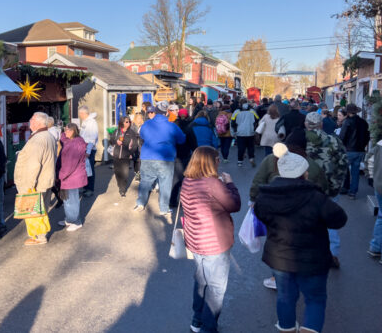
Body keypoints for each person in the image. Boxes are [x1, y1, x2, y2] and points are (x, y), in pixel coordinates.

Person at [254, 147, 347, 333]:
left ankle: (286, 329)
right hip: (313, 258)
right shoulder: (316, 197)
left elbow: (261, 215)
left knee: (285, 297)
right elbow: (339, 220)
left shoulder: (265, 196)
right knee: (315, 299)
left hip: (279, 258)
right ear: (303, 174)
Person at [180, 146, 241, 333]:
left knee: (201, 281)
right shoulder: (212, 184)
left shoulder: (188, 180)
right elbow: (234, 205)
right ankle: (208, 327)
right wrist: (229, 184)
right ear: (210, 162)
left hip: (196, 240)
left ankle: (197, 321)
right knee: (215, 288)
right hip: (215, 243)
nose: (219, 162)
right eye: (217, 159)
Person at [305, 112, 348, 268]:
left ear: (306, 124)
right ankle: (332, 254)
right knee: (330, 222)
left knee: (305, 221)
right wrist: (337, 184)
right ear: (321, 125)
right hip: (330, 187)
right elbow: (343, 164)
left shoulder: (300, 140)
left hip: (306, 189)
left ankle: (308, 254)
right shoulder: (334, 141)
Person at [134, 101, 186, 222]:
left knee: (145, 182)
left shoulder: (147, 124)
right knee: (165, 183)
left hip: (147, 157)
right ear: (166, 112)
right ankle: (164, 208)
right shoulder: (172, 125)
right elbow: (182, 139)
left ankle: (140, 203)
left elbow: (141, 135)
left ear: (156, 111)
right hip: (166, 157)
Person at [14, 112, 56, 246]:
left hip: (37, 182)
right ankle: (40, 235)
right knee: (41, 209)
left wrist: (29, 185)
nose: (29, 122)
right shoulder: (48, 135)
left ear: (38, 122)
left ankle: (39, 237)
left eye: (31, 119)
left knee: (35, 211)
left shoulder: (38, 139)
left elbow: (33, 164)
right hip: (46, 179)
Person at [57, 123, 87, 231]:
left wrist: (61, 175)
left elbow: (70, 164)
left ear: (73, 131)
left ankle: (76, 221)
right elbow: (63, 138)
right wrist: (62, 131)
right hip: (70, 177)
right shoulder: (71, 140)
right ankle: (70, 219)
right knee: (67, 199)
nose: (65, 132)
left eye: (67, 130)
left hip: (72, 177)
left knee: (72, 201)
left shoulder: (75, 144)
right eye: (65, 130)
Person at [339, 103, 370, 199]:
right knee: (355, 172)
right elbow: (367, 137)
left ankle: (345, 187)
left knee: (343, 169)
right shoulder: (363, 122)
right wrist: (363, 146)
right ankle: (353, 192)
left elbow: (342, 137)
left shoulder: (347, 122)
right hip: (360, 150)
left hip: (348, 150)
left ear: (348, 112)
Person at [109, 116, 138, 197]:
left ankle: (122, 189)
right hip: (116, 155)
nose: (128, 123)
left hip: (126, 156)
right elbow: (111, 141)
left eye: (129, 122)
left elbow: (135, 145)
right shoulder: (117, 131)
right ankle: (120, 184)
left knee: (125, 173)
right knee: (117, 172)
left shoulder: (131, 132)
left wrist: (130, 152)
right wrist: (116, 141)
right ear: (122, 122)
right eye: (126, 122)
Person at [366, 137, 382, 263]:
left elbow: (369, 160)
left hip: (379, 186)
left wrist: (372, 177)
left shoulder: (379, 145)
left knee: (381, 217)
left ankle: (375, 247)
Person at [231, 100, 259, 167]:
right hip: (250, 131)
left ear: (240, 104)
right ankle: (251, 158)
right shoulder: (252, 111)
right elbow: (257, 119)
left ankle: (240, 161)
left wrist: (235, 130)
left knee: (241, 147)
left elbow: (232, 122)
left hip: (240, 132)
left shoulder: (236, 112)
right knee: (250, 146)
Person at [78, 106, 99, 197]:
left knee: (89, 169)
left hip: (88, 149)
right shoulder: (85, 121)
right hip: (84, 148)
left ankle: (90, 189)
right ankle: (85, 187)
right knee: (85, 169)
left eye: (80, 114)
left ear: (83, 113)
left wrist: (88, 151)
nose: (79, 116)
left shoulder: (92, 122)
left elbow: (92, 138)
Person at [131, 112, 144, 178]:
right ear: (135, 119)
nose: (139, 120)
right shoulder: (132, 126)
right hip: (135, 145)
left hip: (141, 145)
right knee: (135, 160)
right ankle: (136, 173)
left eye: (140, 118)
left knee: (140, 160)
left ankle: (139, 174)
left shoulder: (143, 125)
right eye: (138, 118)